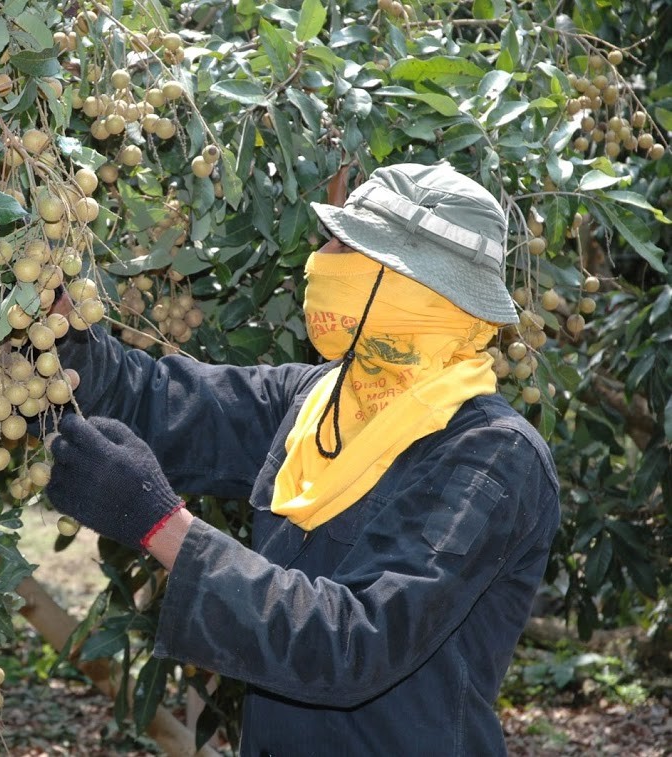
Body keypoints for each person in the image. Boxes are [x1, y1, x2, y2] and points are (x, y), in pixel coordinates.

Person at [42, 163, 561, 756]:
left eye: (345, 247)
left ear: (409, 287)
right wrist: (57, 333)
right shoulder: (320, 399)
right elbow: (161, 403)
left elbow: (354, 644)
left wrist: (163, 527)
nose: (320, 259)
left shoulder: (491, 457)